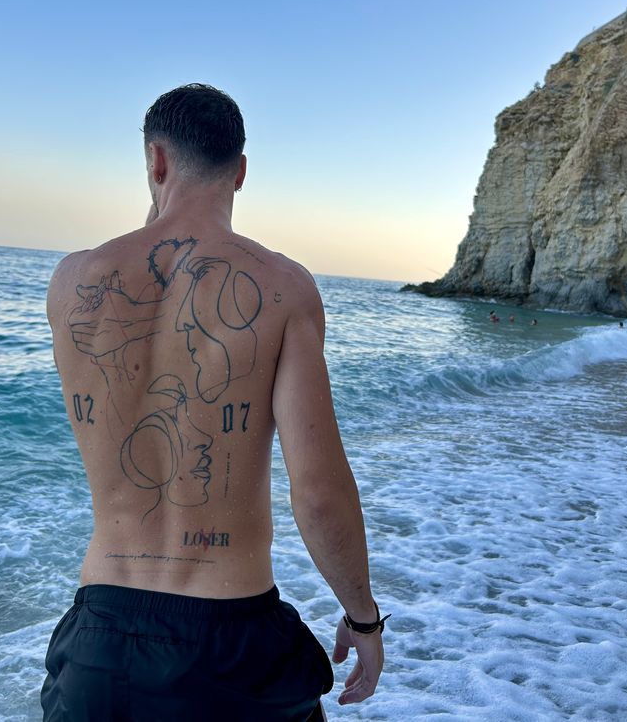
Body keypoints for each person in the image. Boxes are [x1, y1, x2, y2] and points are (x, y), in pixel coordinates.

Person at [41, 84, 386, 721]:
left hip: (101, 644)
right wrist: (363, 619)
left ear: (156, 161)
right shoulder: (283, 287)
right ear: (241, 172)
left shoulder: (71, 283)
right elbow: (317, 489)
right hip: (235, 644)